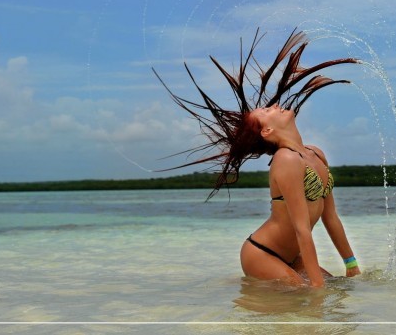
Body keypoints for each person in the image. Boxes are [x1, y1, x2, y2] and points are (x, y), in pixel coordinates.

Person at [153, 29, 362, 287]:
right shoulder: (286, 160)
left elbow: (330, 217)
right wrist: (317, 289)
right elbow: (301, 228)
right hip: (262, 253)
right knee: (312, 295)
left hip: (293, 254)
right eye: (265, 110)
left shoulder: (316, 153)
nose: (274, 105)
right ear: (267, 131)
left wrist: (351, 265)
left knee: (340, 289)